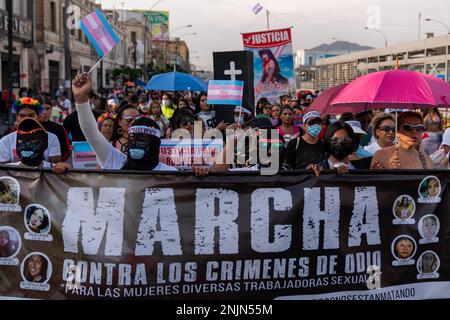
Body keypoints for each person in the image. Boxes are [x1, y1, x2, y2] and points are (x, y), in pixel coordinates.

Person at [73, 73, 177, 172]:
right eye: (133, 138)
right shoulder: (115, 161)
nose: (137, 143)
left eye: (143, 139)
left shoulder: (170, 174)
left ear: (155, 144)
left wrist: (193, 176)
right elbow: (92, 134)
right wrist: (81, 99)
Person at [0, 97, 61, 164]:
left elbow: (55, 166)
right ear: (17, 118)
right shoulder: (5, 141)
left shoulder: (52, 138)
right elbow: (3, 169)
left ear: (39, 117)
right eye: (22, 116)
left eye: (31, 116)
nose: (27, 119)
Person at [39, 96, 72, 162]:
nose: (45, 112)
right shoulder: (30, 127)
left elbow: (66, 149)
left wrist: (57, 164)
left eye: (48, 109)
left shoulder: (59, 128)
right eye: (41, 109)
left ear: (52, 109)